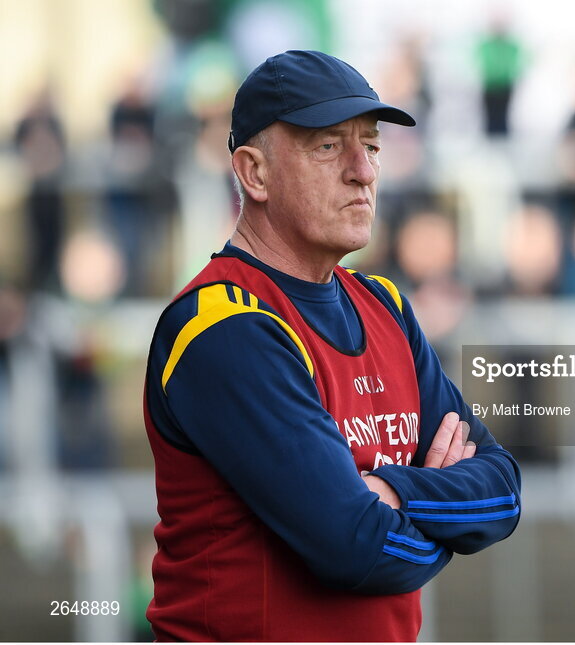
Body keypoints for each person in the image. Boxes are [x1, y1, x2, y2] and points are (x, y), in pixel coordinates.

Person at [142, 50, 522, 641]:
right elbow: (356, 549)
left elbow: (503, 492)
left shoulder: (386, 306)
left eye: (370, 145)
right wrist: (441, 514)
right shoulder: (224, 325)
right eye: (327, 146)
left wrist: (391, 492)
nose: (363, 171)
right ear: (254, 172)